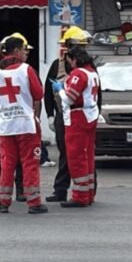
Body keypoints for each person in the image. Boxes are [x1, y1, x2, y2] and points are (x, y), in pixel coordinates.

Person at [0, 34, 47, 214]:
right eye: (24, 49)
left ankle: (3, 202)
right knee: (30, 163)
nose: (26, 53)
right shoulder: (26, 70)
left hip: (5, 125)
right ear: (17, 50)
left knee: (7, 163)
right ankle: (33, 202)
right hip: (26, 125)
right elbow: (38, 94)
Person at [43, 26, 94, 202]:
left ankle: (87, 191)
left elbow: (95, 94)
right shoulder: (58, 65)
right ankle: (61, 190)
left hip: (79, 116)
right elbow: (48, 91)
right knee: (66, 153)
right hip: (62, 114)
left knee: (82, 154)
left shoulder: (87, 67)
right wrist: (50, 114)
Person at [52, 45, 100, 208]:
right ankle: (89, 194)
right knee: (87, 156)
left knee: (76, 157)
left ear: (75, 59)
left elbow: (70, 98)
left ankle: (80, 196)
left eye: (69, 61)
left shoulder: (78, 74)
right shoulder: (92, 73)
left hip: (78, 117)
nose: (69, 64)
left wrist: (60, 90)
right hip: (90, 115)